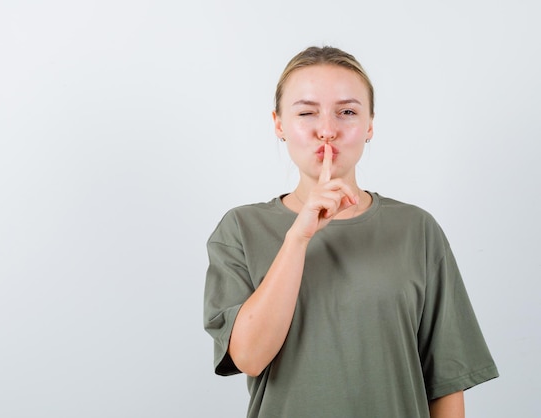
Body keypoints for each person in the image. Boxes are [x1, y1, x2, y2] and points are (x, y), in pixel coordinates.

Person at [203, 46, 498, 417]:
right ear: (279, 124)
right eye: (307, 112)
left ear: (370, 124)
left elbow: (447, 382)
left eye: (347, 112)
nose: (327, 130)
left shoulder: (416, 230)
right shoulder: (241, 229)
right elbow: (249, 357)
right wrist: (298, 237)